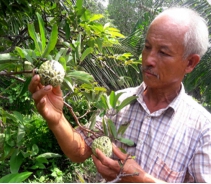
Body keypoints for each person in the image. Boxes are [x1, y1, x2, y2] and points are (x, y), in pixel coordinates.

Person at [28, 7, 211, 183]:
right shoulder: (119, 102)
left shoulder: (203, 129)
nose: (148, 59)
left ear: (190, 63)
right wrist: (57, 119)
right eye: (147, 47)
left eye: (163, 52)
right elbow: (80, 150)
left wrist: (142, 181)